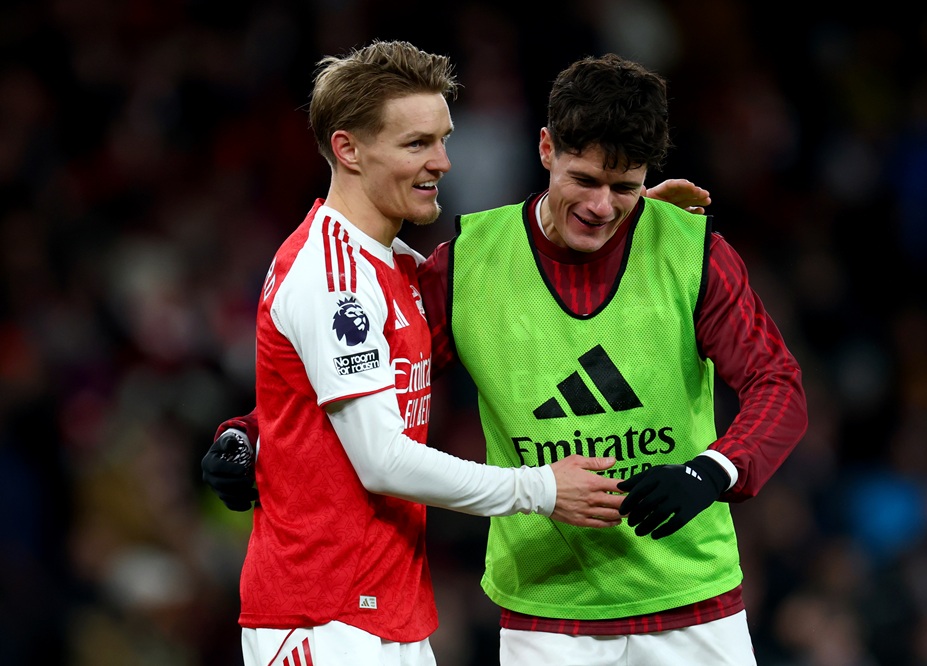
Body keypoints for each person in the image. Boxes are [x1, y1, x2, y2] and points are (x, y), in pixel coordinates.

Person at [205, 50, 807, 665]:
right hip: (546, 613)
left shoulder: (689, 250)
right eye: (585, 181)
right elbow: (351, 375)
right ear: (546, 150)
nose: (602, 206)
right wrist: (250, 433)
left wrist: (711, 472)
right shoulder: (469, 265)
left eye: (623, 188)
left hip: (694, 600)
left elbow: (778, 383)